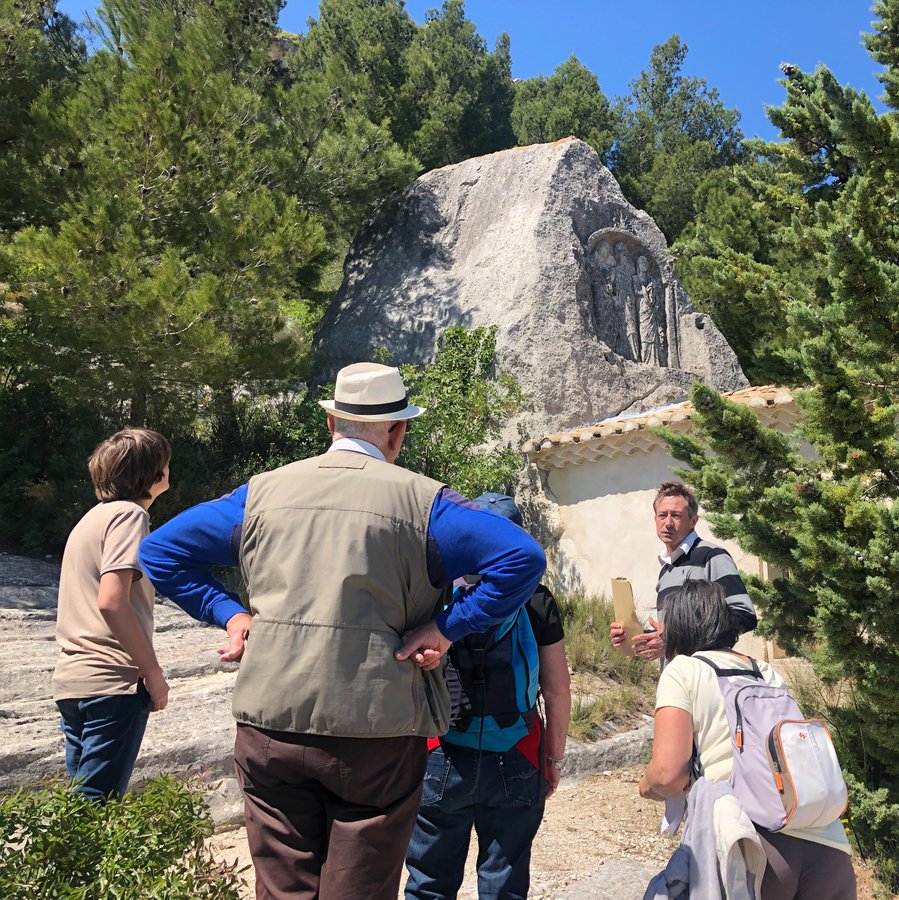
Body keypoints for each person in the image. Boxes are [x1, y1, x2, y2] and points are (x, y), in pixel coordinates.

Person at [138, 362, 546, 900]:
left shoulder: (260, 494)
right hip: (378, 728)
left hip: (270, 722)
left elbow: (159, 551)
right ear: (398, 431)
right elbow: (522, 557)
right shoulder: (426, 504)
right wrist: (447, 628)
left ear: (332, 424)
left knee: (284, 890)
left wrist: (230, 614)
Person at [639, 580, 856, 900]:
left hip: (751, 844)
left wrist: (645, 785)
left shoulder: (682, 670)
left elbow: (668, 774)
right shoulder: (766, 671)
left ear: (679, 627)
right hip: (828, 842)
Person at [404, 493, 571, 900]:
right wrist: (551, 757)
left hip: (441, 752)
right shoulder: (536, 599)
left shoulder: (437, 596)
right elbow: (556, 688)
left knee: (429, 884)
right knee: (504, 885)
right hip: (516, 751)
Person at [51, 428, 174, 801]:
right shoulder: (129, 517)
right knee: (96, 808)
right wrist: (152, 673)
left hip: (73, 681)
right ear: (151, 472)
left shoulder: (91, 519)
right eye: (165, 462)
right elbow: (112, 600)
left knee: (80, 808)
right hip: (112, 682)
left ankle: (60, 863)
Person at [610, 480, 757, 661]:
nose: (668, 523)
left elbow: (744, 615)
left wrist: (673, 639)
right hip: (674, 680)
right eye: (662, 515)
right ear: (655, 519)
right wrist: (638, 638)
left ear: (693, 521)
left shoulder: (712, 556)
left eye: (676, 515)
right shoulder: (666, 571)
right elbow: (672, 633)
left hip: (706, 678)